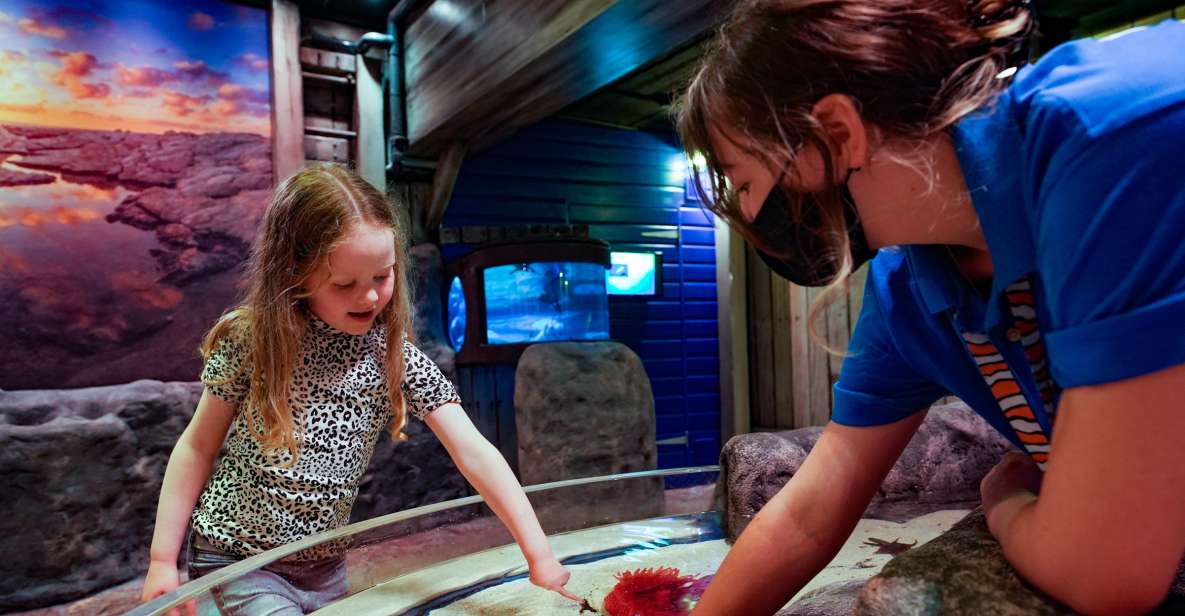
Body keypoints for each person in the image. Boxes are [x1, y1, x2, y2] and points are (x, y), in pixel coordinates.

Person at [675, 0, 1185, 614]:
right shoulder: (909, 288)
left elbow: (1106, 569)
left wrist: (1002, 499)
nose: (753, 218)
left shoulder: (1111, 132)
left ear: (839, 131)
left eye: (747, 183)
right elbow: (807, 516)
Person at [139, 164, 578, 614]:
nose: (369, 297)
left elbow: (473, 450)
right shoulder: (254, 343)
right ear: (295, 274)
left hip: (326, 568)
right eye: (345, 284)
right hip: (238, 560)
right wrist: (161, 559)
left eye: (382, 278)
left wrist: (538, 553)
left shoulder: (393, 354)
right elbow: (196, 446)